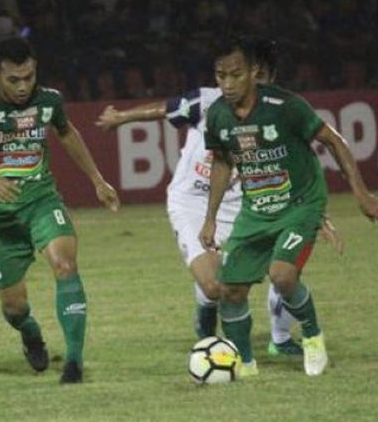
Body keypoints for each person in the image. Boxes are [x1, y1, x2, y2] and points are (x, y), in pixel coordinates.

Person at [95, 39, 342, 357]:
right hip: (194, 202)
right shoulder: (211, 102)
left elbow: (295, 167)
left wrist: (314, 216)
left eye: (262, 77)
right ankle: (206, 316)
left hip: (248, 206)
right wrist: (121, 118)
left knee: (284, 269)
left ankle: (280, 339)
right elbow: (165, 109)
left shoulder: (277, 111)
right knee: (213, 287)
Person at [0, 37, 120, 384]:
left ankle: (74, 363)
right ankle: (30, 333)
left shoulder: (48, 100)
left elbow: (67, 133)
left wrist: (98, 180)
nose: (23, 87)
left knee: (65, 265)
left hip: (40, 201)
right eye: (14, 80)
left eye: (29, 77)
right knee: (14, 307)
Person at [199, 36, 378, 377]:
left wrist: (361, 192)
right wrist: (209, 217)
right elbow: (223, 162)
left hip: (301, 203)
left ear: (254, 72)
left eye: (235, 75)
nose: (226, 84)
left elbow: (334, 140)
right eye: (220, 75)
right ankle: (246, 365)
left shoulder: (285, 106)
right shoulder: (218, 115)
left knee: (282, 275)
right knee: (230, 289)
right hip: (256, 210)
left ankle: (312, 336)